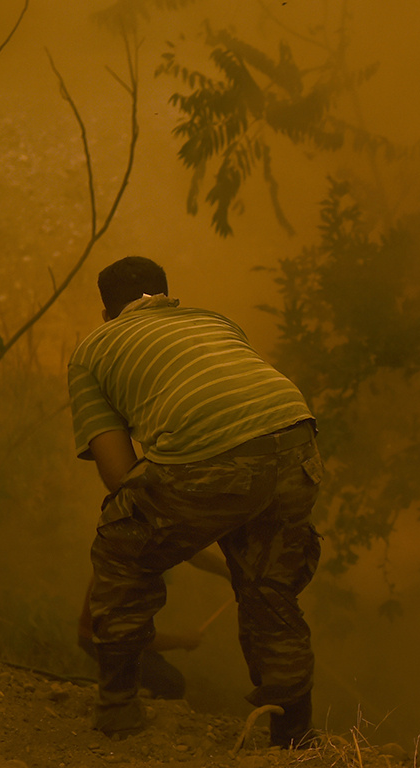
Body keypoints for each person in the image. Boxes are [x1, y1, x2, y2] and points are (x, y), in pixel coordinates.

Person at [68, 256, 323, 743]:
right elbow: (247, 435)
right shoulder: (216, 321)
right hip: (297, 440)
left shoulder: (92, 350)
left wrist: (162, 527)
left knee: (121, 548)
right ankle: (293, 737)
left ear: (107, 314)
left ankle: (118, 709)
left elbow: (120, 476)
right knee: (269, 586)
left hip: (212, 455)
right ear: (169, 298)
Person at [75, 547, 232, 700]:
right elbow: (139, 637)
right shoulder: (128, 578)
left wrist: (230, 572)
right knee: (170, 683)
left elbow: (192, 552)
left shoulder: (143, 549)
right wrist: (184, 641)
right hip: (101, 640)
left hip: (115, 636)